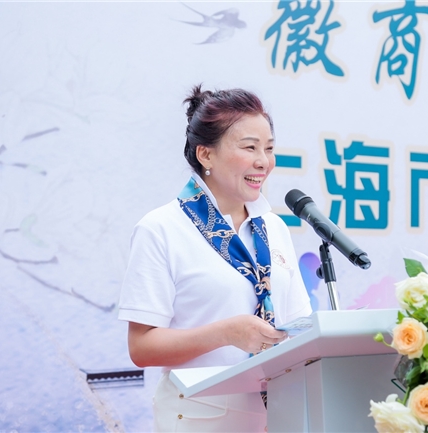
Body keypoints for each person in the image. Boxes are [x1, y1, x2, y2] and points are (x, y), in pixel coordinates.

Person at [118, 84, 313, 432]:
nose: (263, 161)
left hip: (280, 415)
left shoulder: (274, 227)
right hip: (199, 417)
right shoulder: (161, 229)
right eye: (249, 147)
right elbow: (142, 347)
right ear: (206, 155)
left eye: (269, 148)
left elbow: (298, 324)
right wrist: (226, 333)